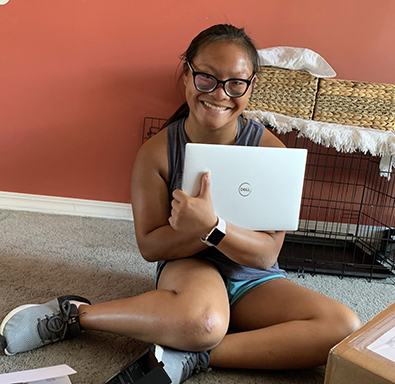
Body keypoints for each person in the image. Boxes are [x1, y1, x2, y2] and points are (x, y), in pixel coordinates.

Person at [0, 24, 361, 384]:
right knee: (203, 322)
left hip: (253, 278)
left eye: (236, 83)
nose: (220, 94)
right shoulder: (156, 154)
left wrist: (211, 226)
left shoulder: (271, 152)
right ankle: (75, 315)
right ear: (186, 76)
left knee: (343, 328)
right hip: (189, 267)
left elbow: (266, 255)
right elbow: (150, 246)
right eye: (207, 78)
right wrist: (202, 235)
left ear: (250, 87)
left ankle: (196, 355)